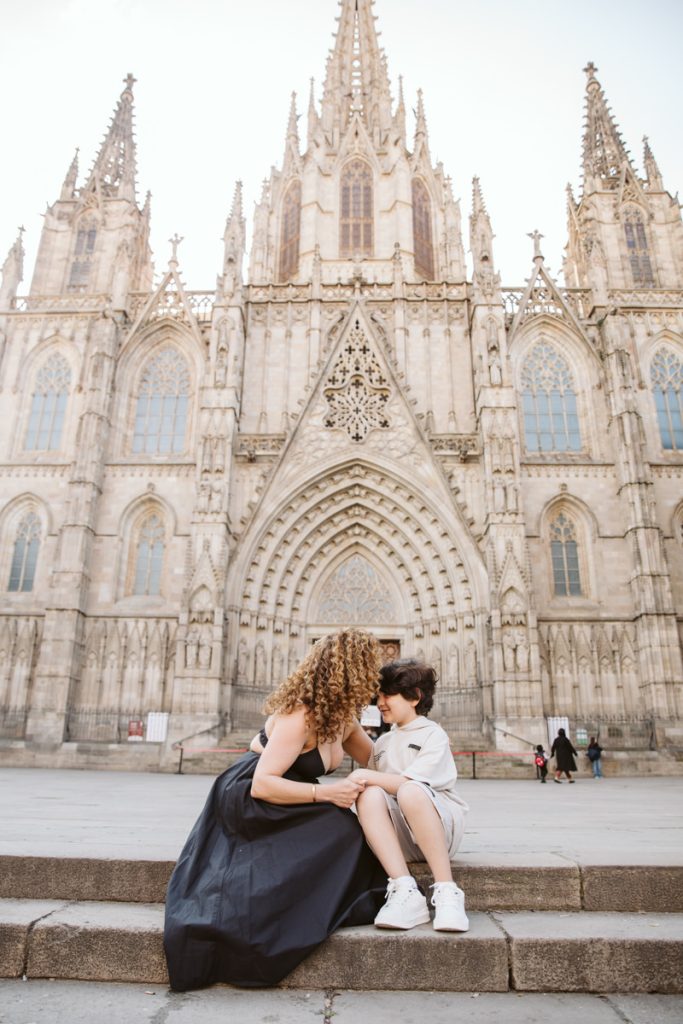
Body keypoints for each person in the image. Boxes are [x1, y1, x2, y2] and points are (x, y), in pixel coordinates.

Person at [164, 629, 387, 991]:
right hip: (253, 796)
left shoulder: (342, 718)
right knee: (340, 827)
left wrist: (420, 753)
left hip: (292, 793)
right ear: (349, 672)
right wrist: (329, 794)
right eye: (368, 670)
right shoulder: (300, 715)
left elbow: (378, 759)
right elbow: (263, 784)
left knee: (344, 829)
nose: (373, 679)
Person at [347, 659, 470, 932]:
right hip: (402, 836)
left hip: (439, 830)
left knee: (411, 789)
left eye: (387, 695)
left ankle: (447, 890)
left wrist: (362, 775)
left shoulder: (433, 734)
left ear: (415, 697)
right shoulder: (382, 742)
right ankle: (405, 889)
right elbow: (379, 790)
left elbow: (406, 783)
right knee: (369, 795)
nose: (379, 702)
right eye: (378, 695)